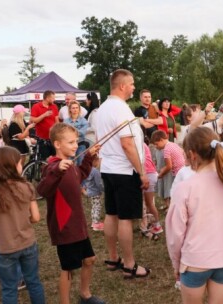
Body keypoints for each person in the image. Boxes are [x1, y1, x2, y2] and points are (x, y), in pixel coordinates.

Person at [166, 126, 223, 303]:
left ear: (192, 154)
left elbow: (175, 232)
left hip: (195, 262)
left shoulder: (186, 188)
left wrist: (176, 263)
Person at [37, 123, 104, 304]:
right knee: (68, 268)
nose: (76, 145)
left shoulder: (71, 165)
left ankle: (85, 295)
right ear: (57, 144)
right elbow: (43, 189)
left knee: (89, 259)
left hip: (78, 225)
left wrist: (89, 158)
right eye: (71, 142)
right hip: (65, 226)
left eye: (76, 142)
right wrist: (58, 171)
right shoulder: (52, 167)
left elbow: (80, 175)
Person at [95, 69, 150, 281]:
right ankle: (129, 265)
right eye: (132, 84)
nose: (134, 87)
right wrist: (141, 172)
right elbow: (127, 144)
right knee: (125, 218)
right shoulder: (120, 109)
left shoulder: (103, 109)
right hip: (124, 170)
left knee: (112, 213)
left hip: (108, 168)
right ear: (122, 86)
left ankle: (112, 258)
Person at [0, 147, 44, 303]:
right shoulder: (27, 187)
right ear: (13, 166)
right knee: (33, 282)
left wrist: (3, 224)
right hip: (28, 243)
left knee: (9, 288)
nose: (21, 165)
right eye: (19, 162)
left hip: (4, 248)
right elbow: (36, 217)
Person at [151, 130, 185, 210]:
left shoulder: (166, 150)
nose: (156, 147)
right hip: (182, 169)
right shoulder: (173, 144)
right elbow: (182, 152)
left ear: (161, 140)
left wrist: (161, 174)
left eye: (156, 144)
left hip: (177, 173)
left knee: (174, 191)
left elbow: (169, 166)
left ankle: (173, 208)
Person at [139, 141, 163, 237]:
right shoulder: (143, 144)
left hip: (148, 174)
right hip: (150, 173)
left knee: (149, 203)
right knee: (148, 203)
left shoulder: (139, 144)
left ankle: (157, 226)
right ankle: (150, 223)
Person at [30, 90, 59, 159]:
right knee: (43, 159)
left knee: (56, 158)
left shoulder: (54, 106)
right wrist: (44, 115)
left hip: (53, 138)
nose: (54, 100)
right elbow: (33, 120)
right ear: (47, 98)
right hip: (42, 139)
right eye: (53, 98)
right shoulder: (36, 106)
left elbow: (57, 120)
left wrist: (58, 131)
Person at [82, 155, 104, 232]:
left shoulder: (87, 170)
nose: (99, 163)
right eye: (98, 161)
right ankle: (96, 224)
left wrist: (85, 188)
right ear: (94, 161)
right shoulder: (95, 171)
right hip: (96, 193)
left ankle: (94, 222)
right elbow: (99, 183)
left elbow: (84, 181)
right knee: (97, 207)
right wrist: (103, 190)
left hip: (89, 192)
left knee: (94, 207)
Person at [64, 100, 89, 165]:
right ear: (70, 109)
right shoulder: (66, 121)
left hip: (80, 143)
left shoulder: (84, 121)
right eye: (73, 108)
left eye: (76, 108)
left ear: (79, 109)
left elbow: (82, 133)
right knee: (68, 163)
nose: (75, 109)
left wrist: (70, 130)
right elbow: (64, 133)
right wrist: (76, 131)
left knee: (81, 162)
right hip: (69, 145)